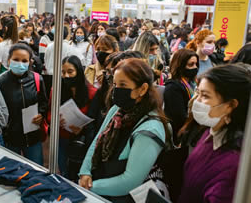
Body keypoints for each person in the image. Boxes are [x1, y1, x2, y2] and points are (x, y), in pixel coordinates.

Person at [79, 58, 169, 201]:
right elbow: (97, 140)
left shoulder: (150, 129)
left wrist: (90, 187)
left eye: (123, 85)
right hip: (102, 191)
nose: (116, 90)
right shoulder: (117, 110)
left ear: (143, 89)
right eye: (114, 84)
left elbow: (130, 182)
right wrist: (85, 172)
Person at [178, 64, 251, 203]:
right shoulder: (210, 131)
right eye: (197, 92)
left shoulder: (232, 165)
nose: (197, 101)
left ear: (230, 105)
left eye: (205, 96)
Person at [0, 43, 48, 166]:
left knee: (36, 169)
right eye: (16, 59)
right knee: (11, 171)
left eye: (24, 60)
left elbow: (43, 102)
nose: (20, 63)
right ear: (8, 60)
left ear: (30, 62)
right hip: (10, 138)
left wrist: (41, 114)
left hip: (33, 136)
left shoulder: (37, 79)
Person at [47, 55, 97, 179]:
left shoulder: (92, 92)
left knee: (77, 172)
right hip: (60, 137)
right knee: (64, 170)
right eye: (63, 72)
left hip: (81, 140)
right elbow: (49, 112)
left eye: (70, 72)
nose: (66, 76)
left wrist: (83, 129)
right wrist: (54, 120)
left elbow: (95, 120)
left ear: (79, 72)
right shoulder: (56, 90)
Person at [164, 49, 199, 144]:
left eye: (196, 64)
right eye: (191, 64)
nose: (195, 67)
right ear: (180, 65)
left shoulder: (192, 83)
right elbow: (179, 117)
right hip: (179, 136)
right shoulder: (173, 87)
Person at [44, 26, 84, 94]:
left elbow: (45, 60)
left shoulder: (49, 47)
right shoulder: (71, 48)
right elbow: (81, 61)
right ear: (67, 35)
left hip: (50, 78)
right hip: (63, 79)